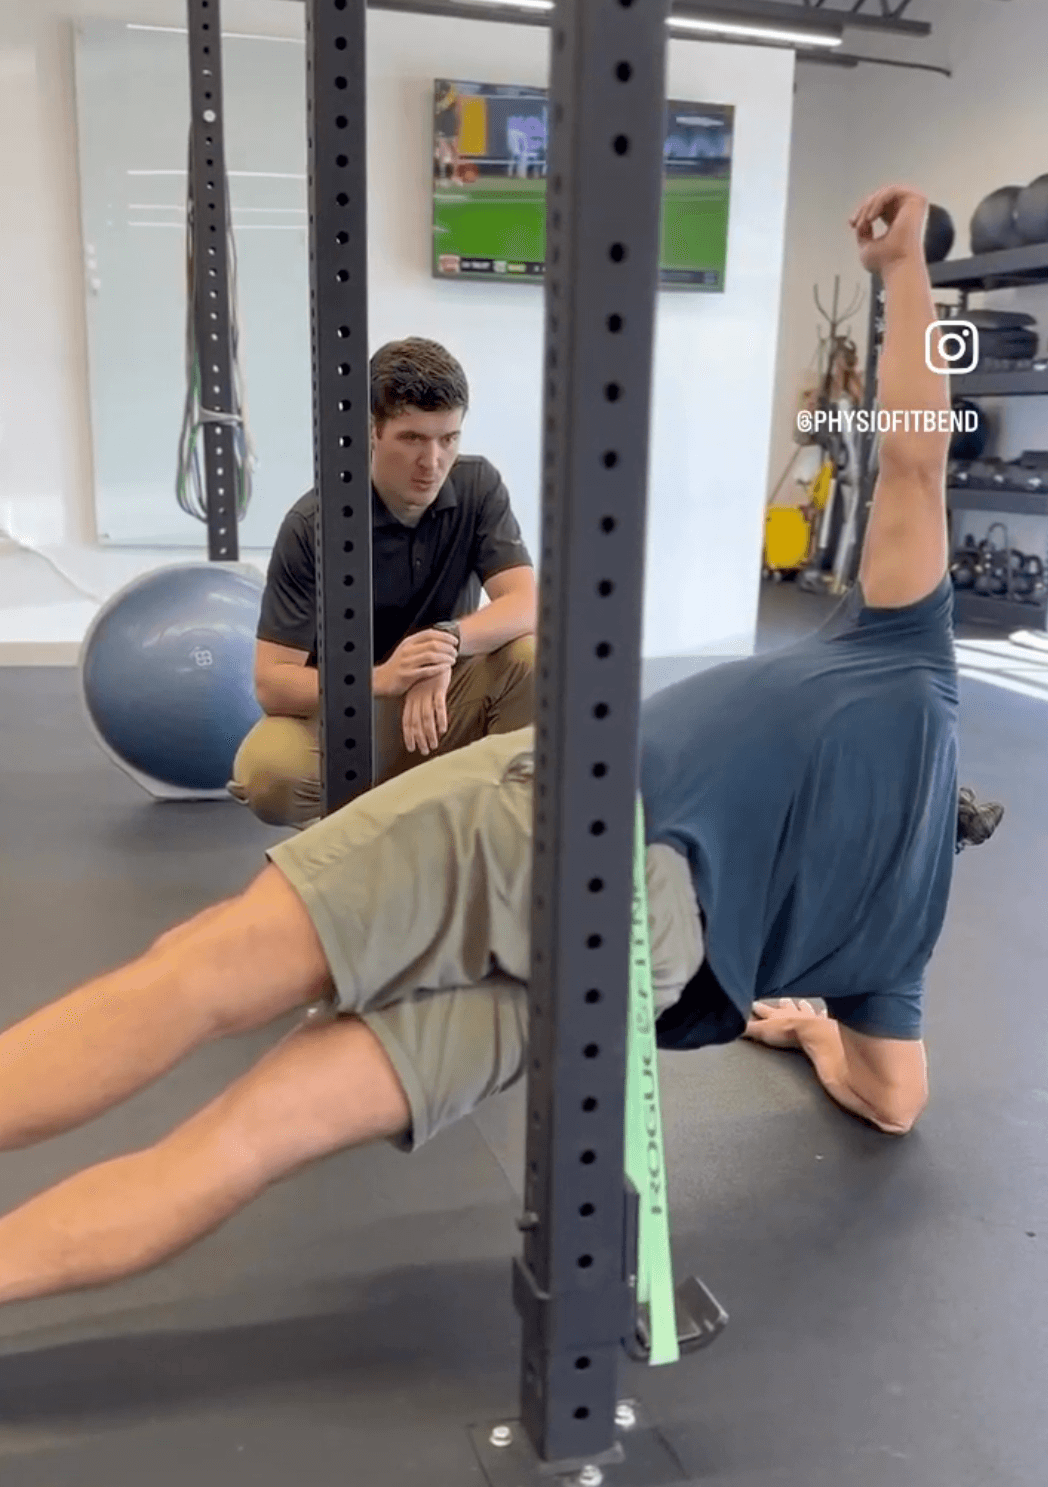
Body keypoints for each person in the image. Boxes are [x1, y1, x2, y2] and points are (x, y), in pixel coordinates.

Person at [0, 185, 1005, 1312]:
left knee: (192, 975)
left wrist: (906, 271)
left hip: (575, 822)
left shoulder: (911, 657)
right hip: (641, 972)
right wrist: (815, 1032)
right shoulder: (902, 937)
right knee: (246, 1141)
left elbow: (915, 460)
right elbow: (893, 1096)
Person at [229, 337, 537, 827]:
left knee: (530, 656)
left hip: (441, 703)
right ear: (372, 431)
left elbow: (525, 603)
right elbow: (273, 682)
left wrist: (444, 644)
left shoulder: (479, 487)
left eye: (448, 439)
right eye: (412, 438)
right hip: (352, 714)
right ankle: (354, 831)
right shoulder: (312, 524)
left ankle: (487, 830)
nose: (432, 461)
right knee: (268, 772)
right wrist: (381, 679)